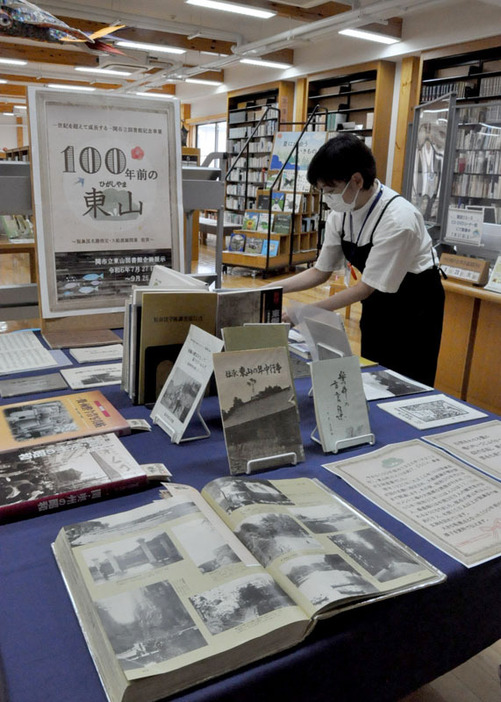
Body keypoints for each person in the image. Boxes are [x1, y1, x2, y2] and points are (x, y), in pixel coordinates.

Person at [276, 133, 445, 386]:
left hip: (415, 304)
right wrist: (270, 289)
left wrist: (303, 312)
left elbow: (365, 288)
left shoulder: (399, 220)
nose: (326, 197)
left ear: (356, 180)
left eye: (330, 190)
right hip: (377, 298)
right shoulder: (341, 211)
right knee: (372, 371)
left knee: (407, 380)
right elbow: (320, 272)